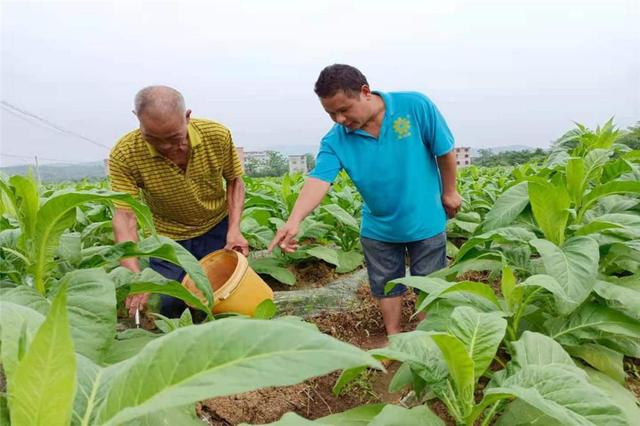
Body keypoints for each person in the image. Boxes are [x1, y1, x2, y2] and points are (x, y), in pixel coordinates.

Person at [268, 64, 461, 336]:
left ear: (365, 92)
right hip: (379, 228)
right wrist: (294, 220)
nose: (339, 119)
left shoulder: (415, 106)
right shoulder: (335, 141)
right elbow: (319, 180)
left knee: (429, 284)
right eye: (330, 113)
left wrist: (450, 191)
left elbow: (444, 150)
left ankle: (427, 338)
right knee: (385, 284)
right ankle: (394, 338)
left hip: (425, 219)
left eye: (344, 109)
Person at [109, 85, 248, 318]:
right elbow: (125, 216)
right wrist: (134, 276)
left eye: (174, 138)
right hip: (168, 239)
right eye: (153, 138)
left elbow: (235, 181)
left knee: (224, 297)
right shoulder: (125, 155)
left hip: (216, 228)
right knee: (167, 304)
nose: (165, 147)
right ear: (137, 119)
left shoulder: (216, 135)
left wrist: (234, 230)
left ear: (187, 117)